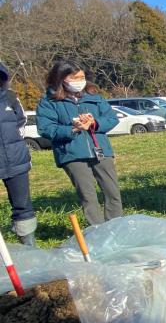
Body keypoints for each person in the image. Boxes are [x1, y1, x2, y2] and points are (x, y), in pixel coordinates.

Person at [36, 60, 123, 225]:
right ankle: (97, 230)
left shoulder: (93, 97)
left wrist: (94, 123)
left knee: (112, 191)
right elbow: (46, 129)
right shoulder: (49, 102)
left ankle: (116, 226)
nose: (79, 82)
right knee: (88, 196)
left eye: (81, 77)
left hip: (100, 150)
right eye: (74, 78)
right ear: (61, 79)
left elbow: (111, 118)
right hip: (72, 154)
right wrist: (73, 129)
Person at [0, 61, 37, 245]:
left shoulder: (10, 98)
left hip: (15, 160)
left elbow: (21, 122)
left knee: (23, 206)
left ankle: (29, 246)